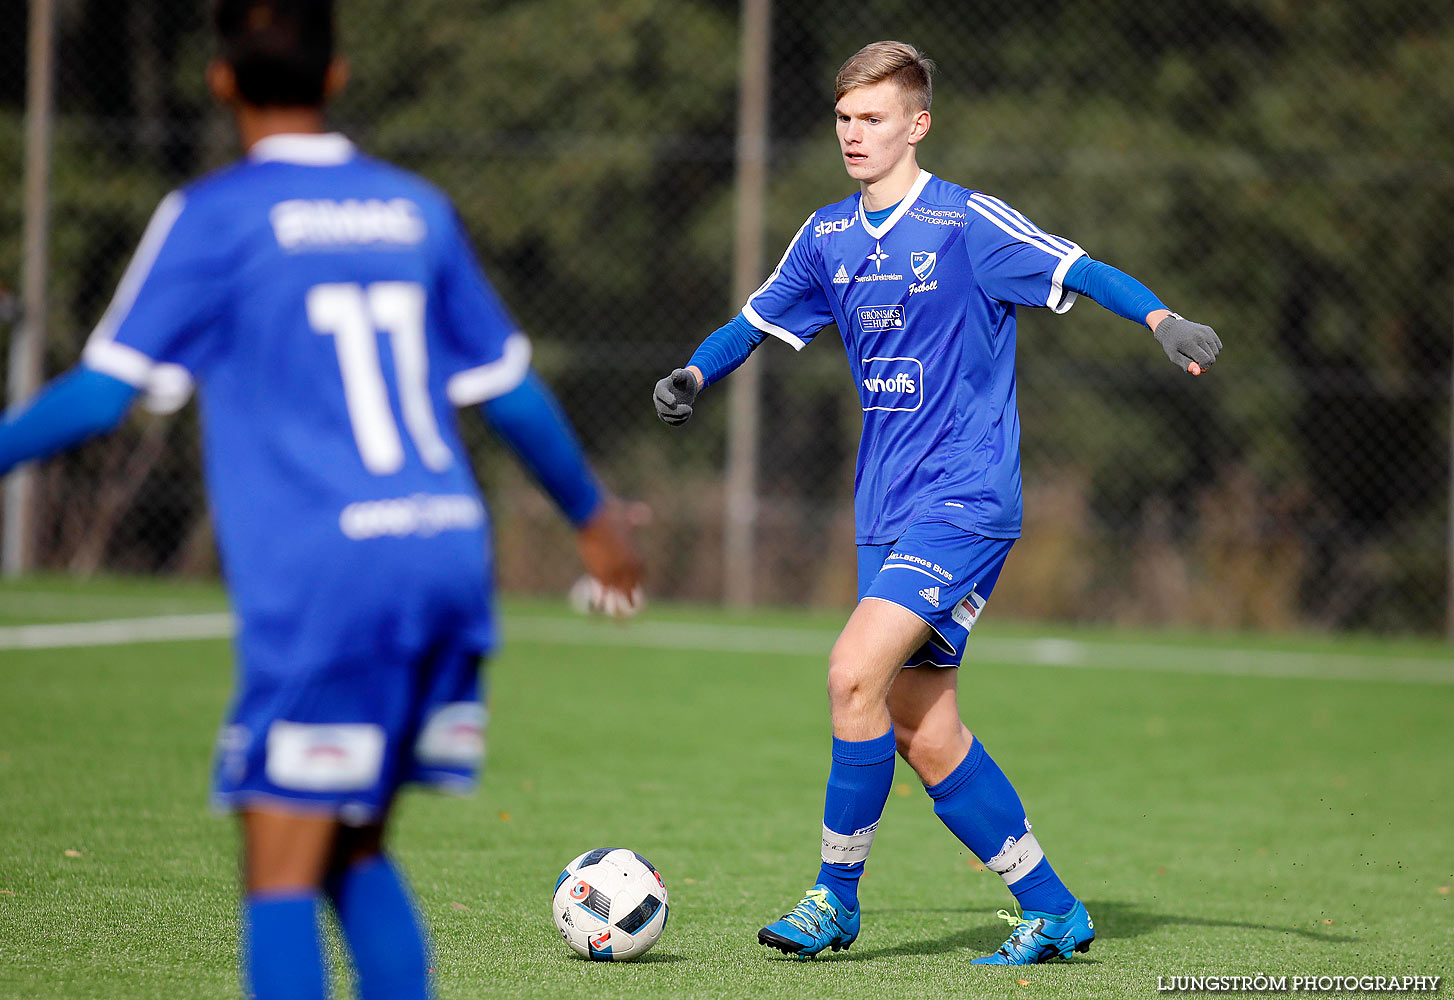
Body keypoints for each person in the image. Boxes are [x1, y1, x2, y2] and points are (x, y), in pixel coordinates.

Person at [0, 1, 642, 997]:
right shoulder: (413, 208)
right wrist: (595, 520)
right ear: (337, 75)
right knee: (351, 849)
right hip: (441, 554)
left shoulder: (214, 214)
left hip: (330, 572)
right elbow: (510, 394)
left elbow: (101, 393)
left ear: (219, 79)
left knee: (280, 868)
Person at [654, 41, 1221, 965]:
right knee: (922, 727)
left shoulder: (966, 224)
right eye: (844, 118)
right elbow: (755, 320)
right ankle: (1054, 907)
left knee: (851, 673)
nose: (853, 133)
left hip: (966, 497)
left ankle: (834, 897)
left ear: (917, 124)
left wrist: (1160, 318)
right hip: (884, 509)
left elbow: (1077, 268)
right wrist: (693, 372)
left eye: (872, 118)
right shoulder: (828, 236)